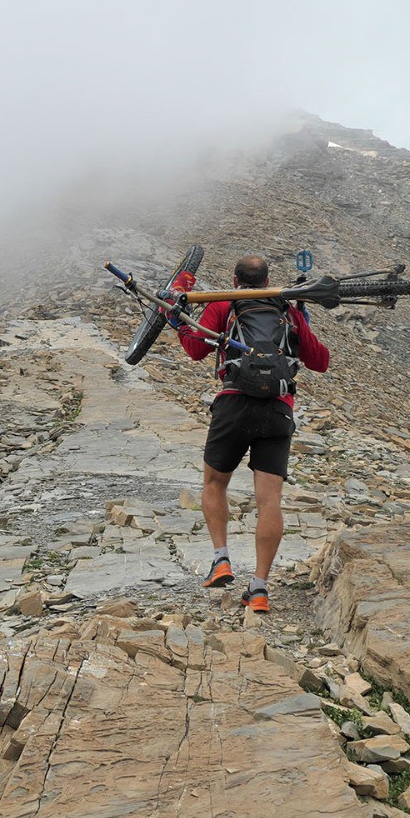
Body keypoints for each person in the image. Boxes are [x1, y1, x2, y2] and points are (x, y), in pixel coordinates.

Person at [167, 254, 330, 613]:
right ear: (268, 278)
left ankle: (221, 560)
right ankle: (258, 589)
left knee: (214, 483)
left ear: (235, 278)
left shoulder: (223, 302)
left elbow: (196, 349)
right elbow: (320, 361)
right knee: (269, 500)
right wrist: (303, 318)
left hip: (234, 403)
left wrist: (177, 323)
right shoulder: (285, 307)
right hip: (277, 408)